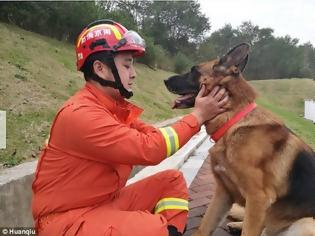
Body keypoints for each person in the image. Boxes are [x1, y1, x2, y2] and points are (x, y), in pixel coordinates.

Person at [32, 19, 228, 236]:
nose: (133, 73)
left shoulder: (111, 109)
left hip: (104, 203)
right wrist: (199, 116)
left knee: (171, 181)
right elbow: (150, 148)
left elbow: (155, 138)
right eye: (127, 64)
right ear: (100, 69)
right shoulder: (81, 115)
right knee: (151, 229)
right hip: (65, 222)